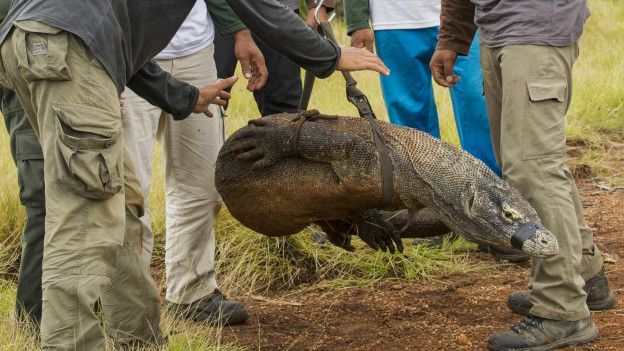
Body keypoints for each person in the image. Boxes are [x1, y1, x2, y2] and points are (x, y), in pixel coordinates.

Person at [0, 0, 388, 348]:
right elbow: (260, 7)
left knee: (121, 201)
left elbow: (125, 47)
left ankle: (139, 339)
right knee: (87, 217)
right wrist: (330, 55)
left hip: (39, 40)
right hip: (68, 45)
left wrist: (186, 98)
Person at [430, 1, 616, 350]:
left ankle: (561, 307)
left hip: (536, 27)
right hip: (497, 30)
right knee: (527, 165)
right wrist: (453, 38)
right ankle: (586, 276)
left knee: (534, 168)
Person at [343, 0, 530, 262]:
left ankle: (493, 217)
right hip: (393, 19)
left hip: (463, 16)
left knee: (479, 107)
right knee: (409, 116)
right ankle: (431, 219)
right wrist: (358, 20)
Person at [121, 0, 265, 325]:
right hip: (130, 52)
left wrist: (240, 32)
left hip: (196, 52)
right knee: (127, 192)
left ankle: (192, 292)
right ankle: (128, 307)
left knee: (203, 183)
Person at [0, 0, 44, 332]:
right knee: (43, 204)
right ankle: (32, 322)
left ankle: (88, 308)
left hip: (76, 83)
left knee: (92, 197)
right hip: (23, 85)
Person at [214, 0, 334, 116]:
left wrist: (318, 4)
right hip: (213, 11)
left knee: (285, 110)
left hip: (277, 11)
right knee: (210, 97)